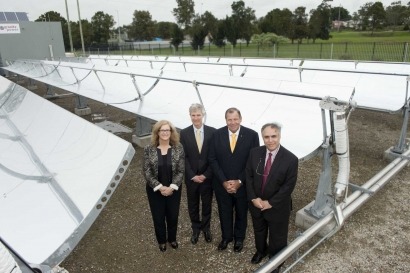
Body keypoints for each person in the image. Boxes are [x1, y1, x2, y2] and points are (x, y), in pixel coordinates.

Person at [245, 123, 298, 271]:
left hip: (277, 207)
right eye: (266, 137)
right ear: (262, 137)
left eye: (273, 136)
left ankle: (276, 261)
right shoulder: (254, 153)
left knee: (278, 236)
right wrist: (253, 198)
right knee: (259, 230)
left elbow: (288, 186)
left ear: (279, 136)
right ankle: (261, 251)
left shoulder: (291, 159)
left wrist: (271, 203)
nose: (270, 140)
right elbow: (248, 176)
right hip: (256, 204)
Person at [209, 107, 259, 252]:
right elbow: (212, 159)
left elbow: (253, 162)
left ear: (240, 119)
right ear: (226, 120)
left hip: (242, 185)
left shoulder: (252, 135)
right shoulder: (216, 135)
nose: (232, 122)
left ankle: (239, 239)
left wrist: (239, 181)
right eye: (229, 120)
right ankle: (226, 237)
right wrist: (224, 181)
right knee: (224, 211)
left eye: (235, 119)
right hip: (221, 184)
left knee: (241, 212)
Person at [143, 120, 184, 252]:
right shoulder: (149, 149)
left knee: (173, 215)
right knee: (158, 216)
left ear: (171, 132)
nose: (165, 133)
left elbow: (181, 170)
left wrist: (172, 187)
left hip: (174, 190)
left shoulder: (178, 148)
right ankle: (161, 241)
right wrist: (160, 187)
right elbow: (147, 171)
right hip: (155, 190)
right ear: (157, 132)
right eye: (162, 130)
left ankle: (172, 239)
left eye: (168, 130)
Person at [180, 103, 216, 244]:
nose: (196, 118)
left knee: (207, 204)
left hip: (207, 177)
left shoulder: (213, 132)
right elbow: (184, 157)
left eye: (198, 115)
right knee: (193, 204)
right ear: (190, 116)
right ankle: (195, 228)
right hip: (191, 177)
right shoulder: (184, 133)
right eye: (193, 115)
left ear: (203, 115)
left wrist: (206, 174)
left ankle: (206, 228)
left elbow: (214, 156)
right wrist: (191, 175)